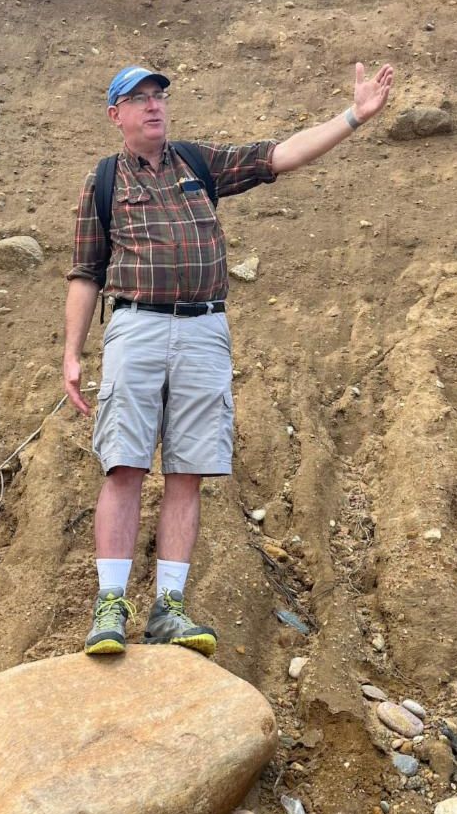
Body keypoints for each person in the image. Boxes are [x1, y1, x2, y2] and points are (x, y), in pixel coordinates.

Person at [64, 60, 395, 656]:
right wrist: (72, 352)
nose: (154, 106)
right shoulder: (104, 181)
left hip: (204, 329)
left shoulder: (198, 163)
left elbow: (279, 156)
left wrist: (353, 116)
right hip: (136, 327)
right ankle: (109, 606)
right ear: (116, 115)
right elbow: (86, 272)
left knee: (188, 470)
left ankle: (169, 608)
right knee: (124, 465)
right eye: (139, 99)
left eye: (159, 95)